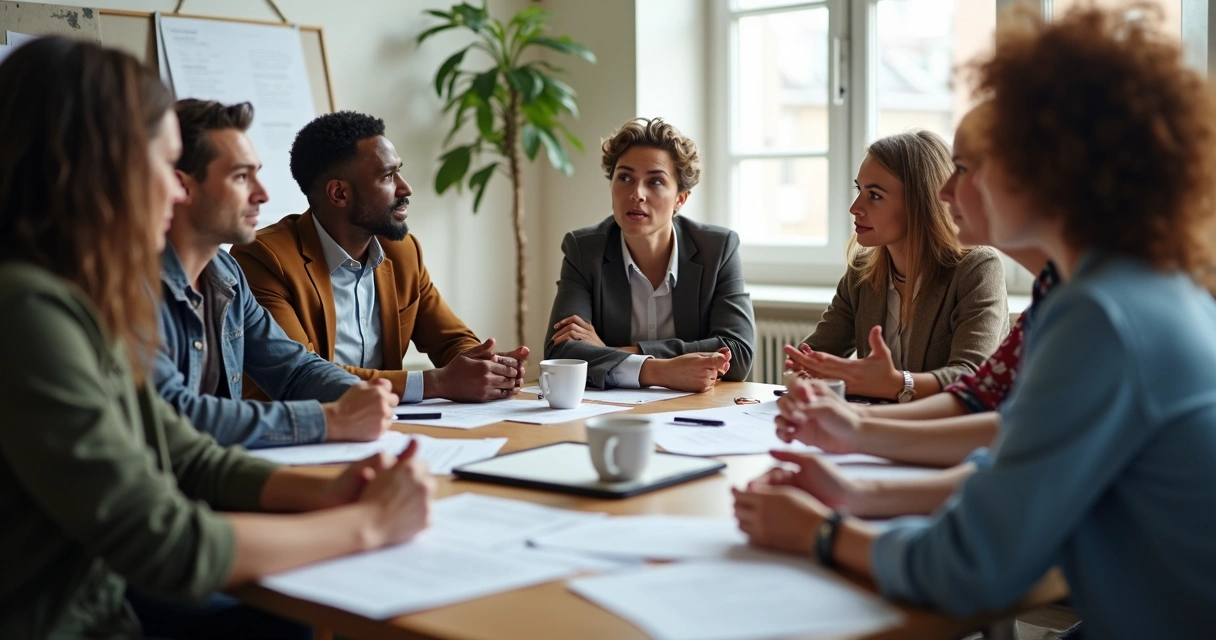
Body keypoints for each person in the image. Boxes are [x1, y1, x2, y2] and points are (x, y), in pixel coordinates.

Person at [734, 6, 1216, 636]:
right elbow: (1013, 451)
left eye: (967, 168)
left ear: (1046, 168)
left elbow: (972, 565)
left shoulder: (1101, 318)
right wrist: (859, 491)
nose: (946, 191)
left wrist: (821, 531)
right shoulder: (1139, 287)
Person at [0, 36, 433, 639]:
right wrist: (368, 525)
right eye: (161, 165)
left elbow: (183, 450)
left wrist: (334, 489)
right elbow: (166, 543)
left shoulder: (80, 295)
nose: (175, 191)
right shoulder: (28, 311)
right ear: (94, 166)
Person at [771, 104, 1060, 518]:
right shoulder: (1055, 293)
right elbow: (984, 403)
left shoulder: (994, 273)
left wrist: (887, 395)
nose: (947, 192)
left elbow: (986, 400)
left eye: (963, 171)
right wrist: (851, 425)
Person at [231, 110, 527, 404]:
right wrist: (435, 382)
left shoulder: (403, 251)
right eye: (388, 175)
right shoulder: (264, 258)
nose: (405, 187)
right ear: (339, 194)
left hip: (385, 427)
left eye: (399, 170)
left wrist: (485, 366)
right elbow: (304, 376)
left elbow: (450, 339)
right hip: (298, 434)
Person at [155, 99, 396, 449]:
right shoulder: (132, 285)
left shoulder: (226, 275)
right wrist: (331, 420)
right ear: (184, 187)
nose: (263, 195)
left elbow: (295, 369)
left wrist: (362, 396)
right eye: (241, 176)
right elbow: (176, 415)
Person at [787, 130, 1008, 402]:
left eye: (875, 196)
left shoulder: (976, 269)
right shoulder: (861, 271)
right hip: (874, 428)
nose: (855, 207)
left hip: (947, 435)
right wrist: (806, 369)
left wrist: (895, 383)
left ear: (921, 203)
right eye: (859, 190)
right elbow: (814, 355)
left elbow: (970, 377)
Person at [543, 117, 755, 392]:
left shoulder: (718, 248)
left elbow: (737, 354)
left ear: (681, 198)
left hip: (699, 408)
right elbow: (560, 354)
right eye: (625, 177)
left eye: (655, 181)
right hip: (611, 411)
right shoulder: (584, 250)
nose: (636, 194)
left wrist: (612, 351)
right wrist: (659, 370)